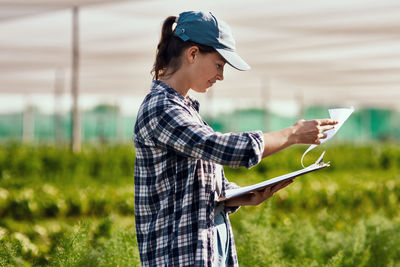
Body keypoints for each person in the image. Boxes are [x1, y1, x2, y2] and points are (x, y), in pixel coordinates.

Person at [133, 11, 337, 267]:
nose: (221, 76)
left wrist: (236, 196)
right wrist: (293, 134)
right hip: (178, 255)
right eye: (219, 65)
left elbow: (189, 185)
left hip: (204, 247)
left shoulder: (184, 109)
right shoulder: (161, 109)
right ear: (193, 54)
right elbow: (219, 147)